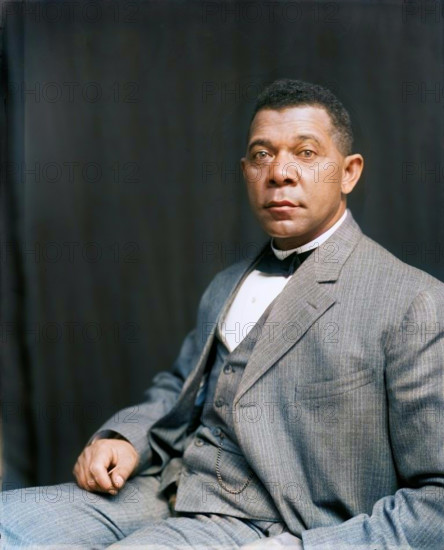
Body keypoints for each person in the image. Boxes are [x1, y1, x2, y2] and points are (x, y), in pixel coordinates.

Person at [2, 79, 444, 549]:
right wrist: (128, 437)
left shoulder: (412, 302)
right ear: (245, 170)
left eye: (306, 153)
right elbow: (179, 387)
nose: (280, 172)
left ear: (349, 172)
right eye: (261, 155)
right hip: (171, 486)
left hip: (274, 527)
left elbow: (436, 503)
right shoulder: (227, 283)